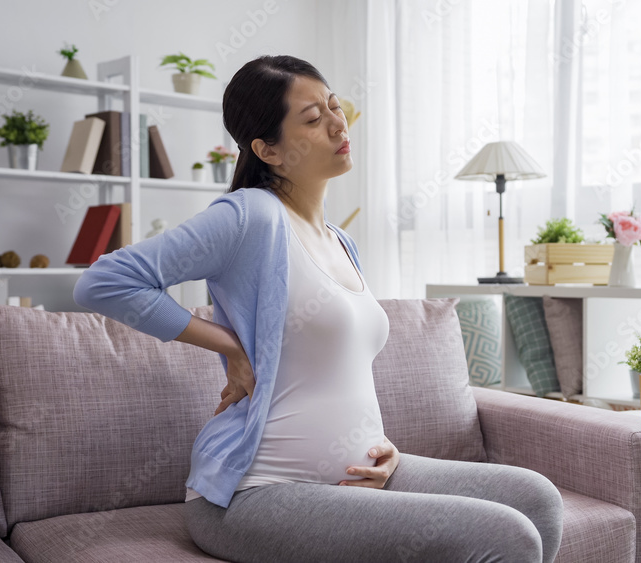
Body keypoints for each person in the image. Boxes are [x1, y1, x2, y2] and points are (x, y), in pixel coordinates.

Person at [73, 54, 563, 563]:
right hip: (258, 493)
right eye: (312, 118)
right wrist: (224, 342)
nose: (336, 123)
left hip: (364, 471)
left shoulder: (341, 242)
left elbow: (333, 373)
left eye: (335, 106)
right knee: (507, 535)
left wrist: (380, 443)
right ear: (268, 149)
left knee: (537, 499)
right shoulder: (250, 217)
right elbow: (104, 282)